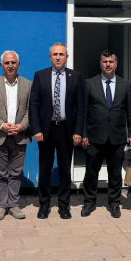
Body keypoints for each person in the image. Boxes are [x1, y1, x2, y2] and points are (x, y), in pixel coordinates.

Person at [30, 42, 84, 220]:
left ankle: (64, 206)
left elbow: (80, 107)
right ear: (50, 57)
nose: (58, 57)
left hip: (66, 130)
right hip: (46, 130)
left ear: (66, 57)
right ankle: (44, 205)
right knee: (45, 170)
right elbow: (34, 105)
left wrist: (78, 131)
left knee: (65, 171)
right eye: (55, 54)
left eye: (61, 54)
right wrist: (36, 129)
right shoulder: (40, 76)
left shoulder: (75, 76)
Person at [81, 50, 131, 219]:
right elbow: (83, 112)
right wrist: (84, 134)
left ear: (116, 64)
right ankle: (89, 202)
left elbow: (130, 113)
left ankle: (114, 203)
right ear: (100, 64)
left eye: (111, 61)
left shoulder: (125, 85)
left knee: (115, 174)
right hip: (94, 137)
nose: (108, 64)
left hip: (117, 137)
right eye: (105, 61)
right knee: (91, 172)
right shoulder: (89, 83)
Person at [0, 50, 31, 221]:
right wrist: (2, 125)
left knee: (16, 173)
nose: (10, 66)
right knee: (1, 174)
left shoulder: (28, 84)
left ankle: (14, 204)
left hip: (20, 135)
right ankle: (1, 206)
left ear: (18, 64)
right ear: (1, 65)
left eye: (13, 62)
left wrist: (22, 126)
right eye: (7, 63)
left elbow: (30, 109)